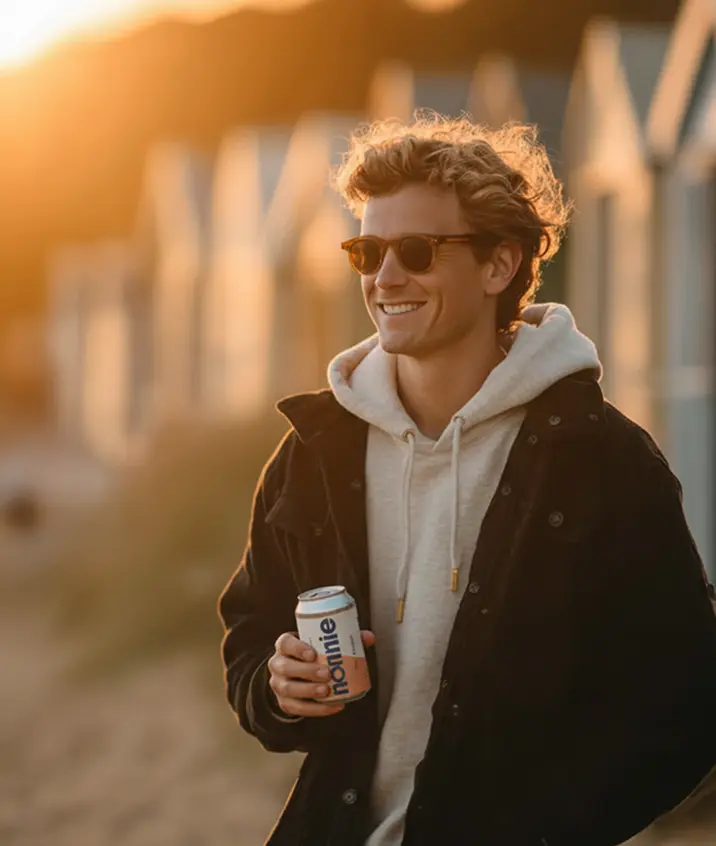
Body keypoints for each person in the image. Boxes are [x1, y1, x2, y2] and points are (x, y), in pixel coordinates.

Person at [218, 115, 716, 846]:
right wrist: (276, 688)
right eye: (367, 250)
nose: (386, 277)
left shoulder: (603, 459)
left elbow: (688, 704)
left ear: (498, 266)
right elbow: (250, 637)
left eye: (416, 251)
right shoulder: (313, 454)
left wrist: (552, 828)